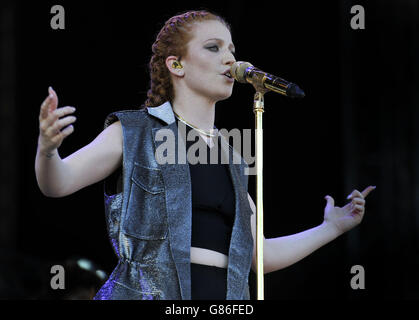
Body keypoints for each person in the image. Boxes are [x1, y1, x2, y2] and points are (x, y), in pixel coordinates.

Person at [35, 10, 375, 300]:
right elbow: (58, 184)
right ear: (177, 65)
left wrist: (331, 228)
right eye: (213, 48)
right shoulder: (134, 132)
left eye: (231, 49)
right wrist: (47, 150)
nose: (231, 59)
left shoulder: (232, 157)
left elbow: (260, 254)